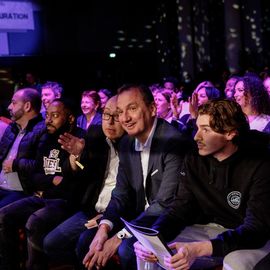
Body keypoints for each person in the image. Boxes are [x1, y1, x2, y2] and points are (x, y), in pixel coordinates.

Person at [134, 99, 270, 270]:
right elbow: (180, 209)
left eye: (206, 130)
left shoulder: (260, 163)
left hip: (252, 236)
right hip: (211, 228)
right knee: (151, 251)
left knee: (235, 264)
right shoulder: (194, 158)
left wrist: (199, 249)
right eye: (198, 127)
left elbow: (256, 230)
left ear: (230, 134)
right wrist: (155, 237)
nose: (196, 136)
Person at [81, 84, 191, 270]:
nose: (124, 118)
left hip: (169, 219)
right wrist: (104, 227)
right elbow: (120, 194)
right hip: (139, 216)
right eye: (120, 111)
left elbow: (164, 204)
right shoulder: (127, 143)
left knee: (126, 249)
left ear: (152, 109)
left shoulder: (173, 142)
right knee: (88, 240)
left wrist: (120, 236)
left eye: (132, 109)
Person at [0, 98, 85, 270]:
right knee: (3, 215)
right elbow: (35, 175)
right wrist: (53, 179)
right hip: (42, 196)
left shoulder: (80, 139)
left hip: (65, 202)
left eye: (54, 116)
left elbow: (77, 179)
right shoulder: (46, 138)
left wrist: (62, 176)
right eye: (47, 116)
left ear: (70, 118)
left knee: (35, 222)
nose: (48, 120)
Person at [43, 95, 125, 269]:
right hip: (91, 210)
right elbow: (78, 171)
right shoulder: (96, 136)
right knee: (51, 243)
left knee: (84, 243)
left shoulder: (133, 146)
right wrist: (77, 156)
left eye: (116, 116)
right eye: (106, 115)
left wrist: (106, 218)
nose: (109, 122)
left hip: (116, 215)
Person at [0, 88, 46, 208]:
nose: (9, 107)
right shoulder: (12, 127)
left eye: (14, 103)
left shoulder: (43, 131)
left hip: (21, 190)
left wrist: (16, 164)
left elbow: (42, 165)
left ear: (27, 106)